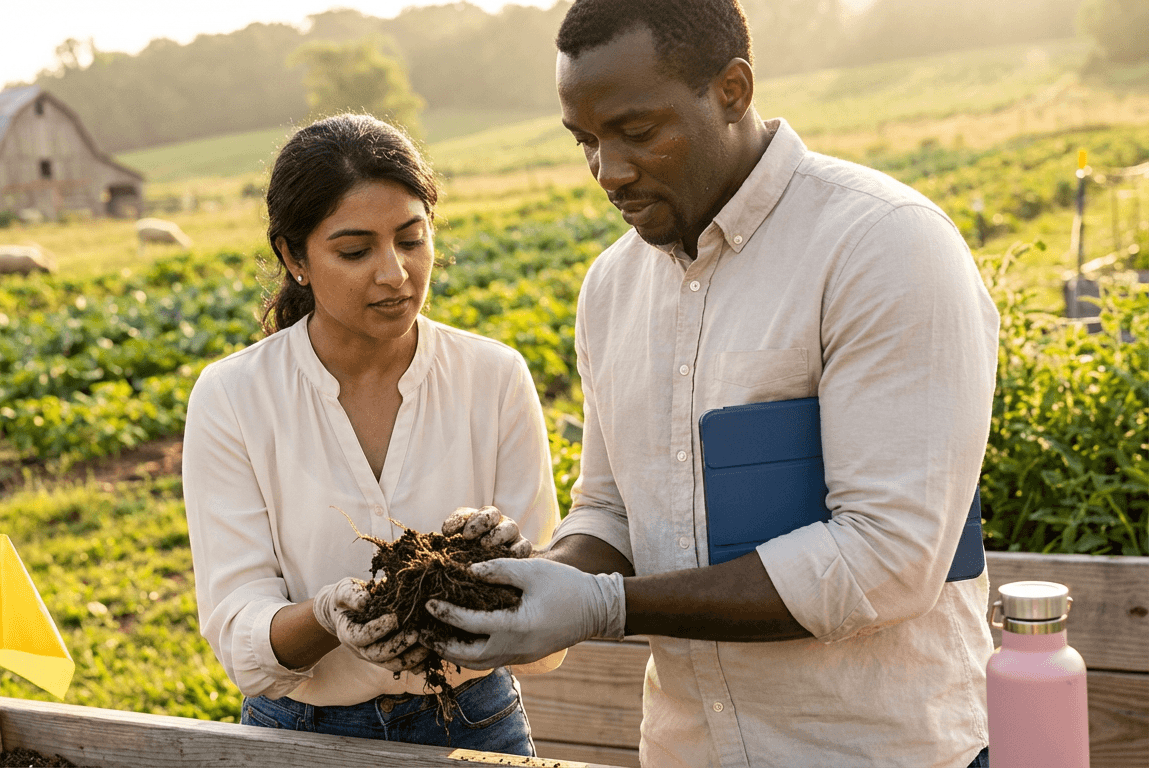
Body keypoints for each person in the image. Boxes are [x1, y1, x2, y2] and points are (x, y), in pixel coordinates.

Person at [424, 2, 999, 767]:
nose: (608, 170)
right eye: (585, 141)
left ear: (732, 90)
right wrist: (529, 588)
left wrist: (604, 608)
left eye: (637, 131)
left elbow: (888, 559)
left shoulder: (880, 246)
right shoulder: (611, 287)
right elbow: (613, 511)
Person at [181, 113, 560, 755]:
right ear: (294, 257)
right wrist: (327, 616)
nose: (394, 273)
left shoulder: (493, 376)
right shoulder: (234, 396)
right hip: (300, 731)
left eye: (411, 240)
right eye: (355, 251)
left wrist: (518, 574)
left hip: (473, 720)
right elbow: (240, 627)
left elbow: (546, 638)